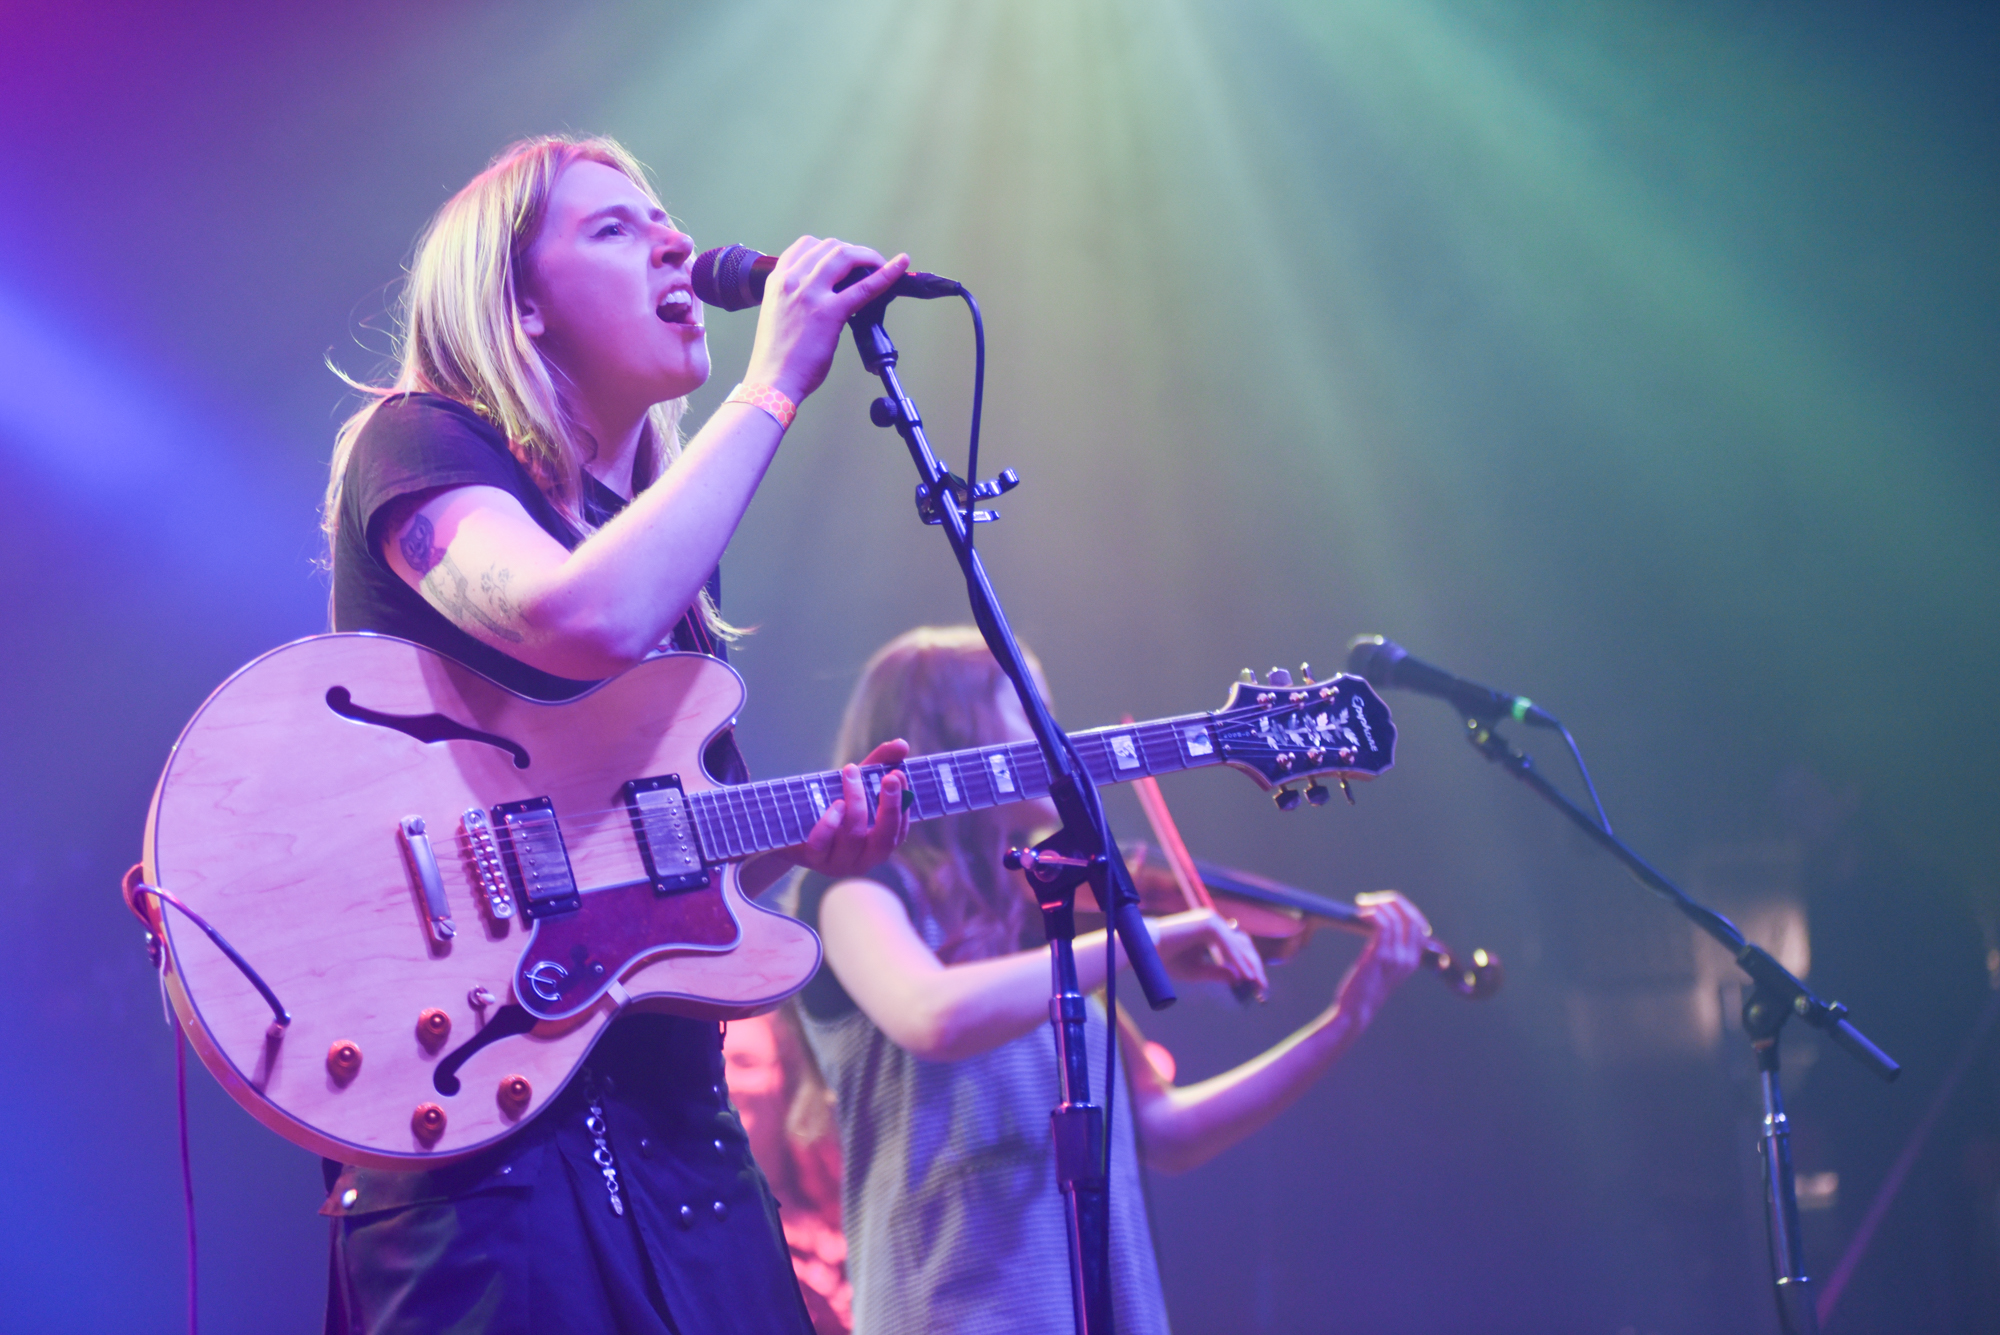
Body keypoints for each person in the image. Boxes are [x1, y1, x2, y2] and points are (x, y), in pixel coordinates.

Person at [318, 133, 913, 1335]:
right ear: (521, 304)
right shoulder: (421, 444)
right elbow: (573, 618)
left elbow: (647, 869)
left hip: (680, 1149)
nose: (674, 243)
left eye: (663, 219)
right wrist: (771, 387)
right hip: (482, 1150)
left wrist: (800, 841)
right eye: (612, 227)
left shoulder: (663, 560)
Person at [792, 626, 1430, 1335]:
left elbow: (1166, 1131)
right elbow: (933, 1017)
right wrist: (1138, 937)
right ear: (954, 726)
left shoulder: (1041, 925)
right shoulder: (856, 891)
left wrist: (1344, 1022)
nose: (1054, 733)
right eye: (1030, 706)